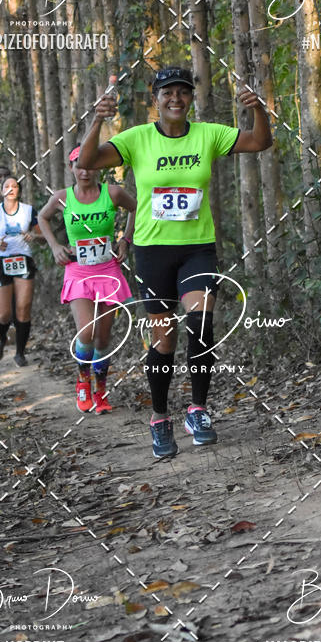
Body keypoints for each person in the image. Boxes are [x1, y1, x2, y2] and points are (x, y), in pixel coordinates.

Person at [78, 66, 273, 458]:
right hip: (153, 251)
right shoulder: (137, 138)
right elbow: (89, 159)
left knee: (201, 325)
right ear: (156, 99)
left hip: (197, 247)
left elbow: (259, 142)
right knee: (164, 339)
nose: (175, 99)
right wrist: (98, 120)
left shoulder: (208, 134)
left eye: (183, 92)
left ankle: (197, 410)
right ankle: (160, 417)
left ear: (191, 99)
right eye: (167, 92)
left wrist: (258, 109)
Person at [38, 147, 136, 413]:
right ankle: (83, 382)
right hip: (78, 272)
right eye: (78, 166)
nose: (85, 171)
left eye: (90, 166)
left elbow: (135, 208)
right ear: (71, 168)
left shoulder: (112, 193)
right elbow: (42, 217)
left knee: (103, 339)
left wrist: (126, 240)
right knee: (86, 333)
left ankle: (101, 391)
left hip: (108, 271)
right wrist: (55, 246)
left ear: (98, 168)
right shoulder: (63, 198)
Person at [0, 177, 42, 367]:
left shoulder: (28, 211)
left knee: (23, 308)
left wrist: (34, 236)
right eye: (7, 186)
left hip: (23, 259)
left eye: (14, 186)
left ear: (19, 190)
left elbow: (43, 237)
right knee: (3, 313)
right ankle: (1, 338)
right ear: (2, 191)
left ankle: (20, 353)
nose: (11, 189)